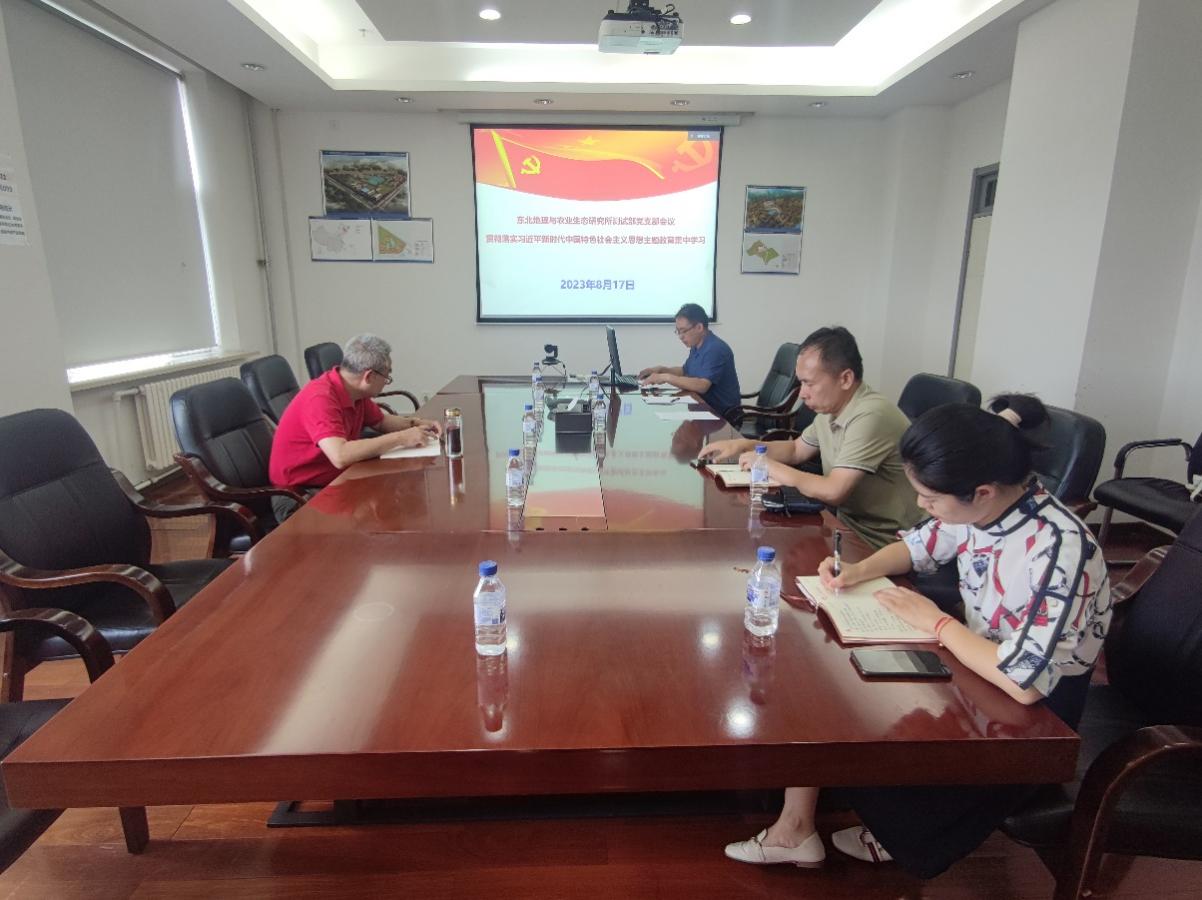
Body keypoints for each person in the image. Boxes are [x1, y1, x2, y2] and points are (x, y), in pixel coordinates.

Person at [723, 395, 1113, 879]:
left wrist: (937, 622)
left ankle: (867, 831)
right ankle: (795, 827)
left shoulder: (1059, 550)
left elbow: (1026, 682)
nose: (922, 507)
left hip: (1035, 714)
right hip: (974, 663)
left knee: (864, 733)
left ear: (983, 492)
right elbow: (918, 547)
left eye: (929, 499)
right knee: (827, 681)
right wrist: (857, 571)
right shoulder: (983, 509)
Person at [699, 326, 920, 549]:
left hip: (885, 542)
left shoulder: (870, 415)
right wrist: (744, 445)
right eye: (801, 383)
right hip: (845, 525)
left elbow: (833, 490)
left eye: (809, 383)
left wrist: (767, 465)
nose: (802, 394)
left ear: (845, 379)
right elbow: (797, 450)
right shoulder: (832, 409)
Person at [269, 334, 441, 519]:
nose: (387, 382)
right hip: (299, 496)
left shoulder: (353, 391)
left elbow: (381, 422)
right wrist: (401, 438)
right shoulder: (320, 398)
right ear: (369, 376)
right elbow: (340, 455)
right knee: (381, 515)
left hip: (333, 480)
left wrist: (417, 423)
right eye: (387, 376)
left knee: (396, 495)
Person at [638, 303, 742, 422]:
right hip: (702, 409)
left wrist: (666, 377)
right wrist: (661, 369)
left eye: (683, 331)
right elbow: (685, 370)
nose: (681, 337)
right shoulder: (697, 345)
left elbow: (702, 385)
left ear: (699, 327)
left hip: (722, 416)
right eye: (678, 332)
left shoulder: (715, 349)